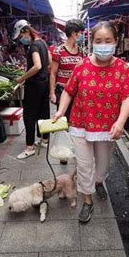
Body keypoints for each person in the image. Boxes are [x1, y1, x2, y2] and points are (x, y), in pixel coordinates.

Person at [53, 21, 129, 223]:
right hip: (80, 123)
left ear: (116, 42)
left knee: (102, 167)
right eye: (98, 41)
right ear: (92, 43)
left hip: (107, 127)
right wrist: (61, 111)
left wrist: (121, 121)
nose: (103, 45)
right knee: (84, 165)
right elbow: (68, 90)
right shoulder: (82, 66)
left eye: (108, 40)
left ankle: (98, 182)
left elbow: (127, 96)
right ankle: (87, 201)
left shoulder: (122, 68)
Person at [12, 19, 50, 159]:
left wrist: (22, 78)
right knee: (43, 112)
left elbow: (37, 66)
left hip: (34, 85)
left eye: (21, 36)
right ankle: (45, 140)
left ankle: (29, 147)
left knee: (29, 116)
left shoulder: (34, 46)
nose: (22, 40)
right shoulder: (43, 43)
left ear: (26, 31)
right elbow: (49, 63)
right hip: (44, 83)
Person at [50, 19, 85, 164]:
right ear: (73, 33)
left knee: (76, 121)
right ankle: (63, 152)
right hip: (62, 91)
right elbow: (53, 73)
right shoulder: (59, 51)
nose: (82, 35)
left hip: (77, 92)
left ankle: (75, 149)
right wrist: (52, 92)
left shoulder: (80, 52)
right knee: (63, 121)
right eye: (80, 33)